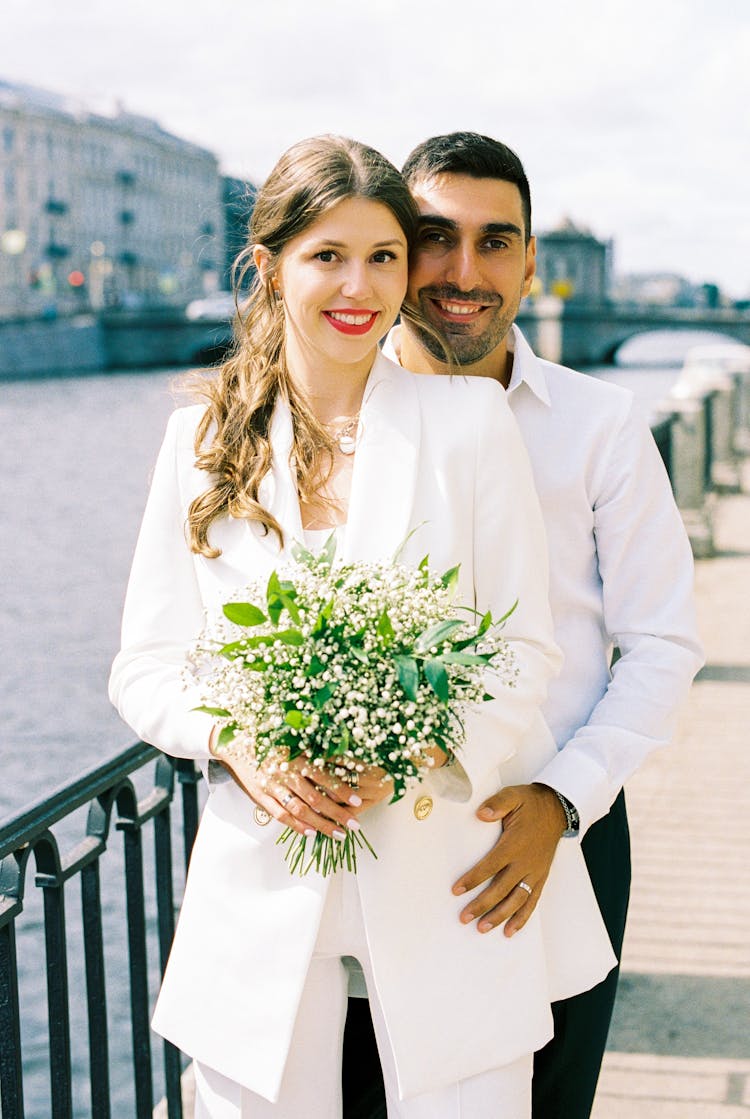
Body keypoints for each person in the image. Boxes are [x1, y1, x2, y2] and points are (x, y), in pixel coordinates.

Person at [109, 135, 617, 1119]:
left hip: (450, 873)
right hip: (264, 881)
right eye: (328, 256)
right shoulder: (201, 441)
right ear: (267, 269)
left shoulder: (471, 425)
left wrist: (415, 746)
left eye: (385, 256)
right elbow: (148, 664)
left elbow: (523, 649)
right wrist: (238, 741)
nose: (361, 285)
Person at [344, 131, 704, 1119]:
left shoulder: (599, 423)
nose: (464, 273)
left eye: (495, 242)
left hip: (563, 823)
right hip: (379, 834)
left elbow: (663, 641)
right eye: (434, 238)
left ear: (534, 260)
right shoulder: (338, 416)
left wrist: (563, 798)